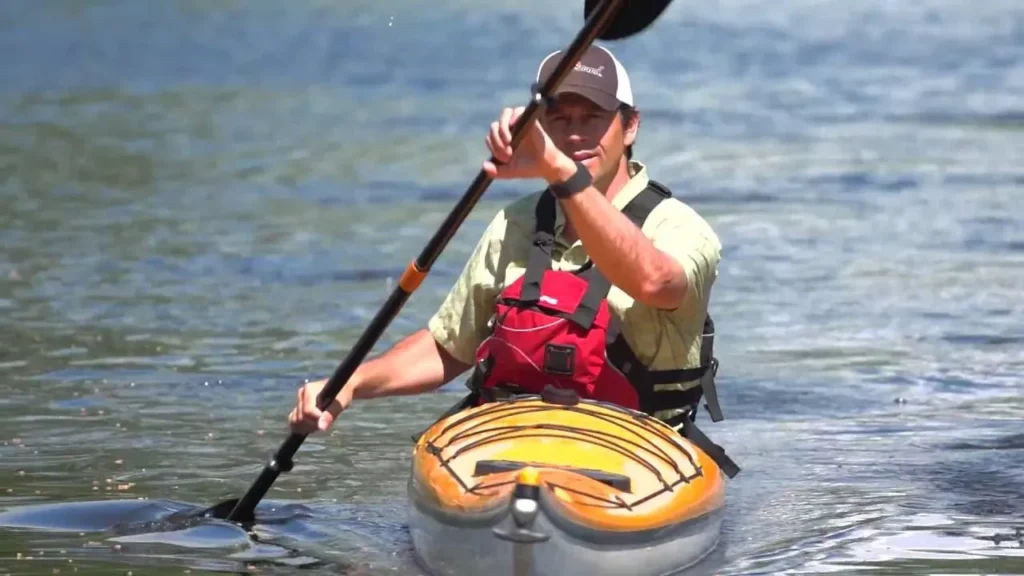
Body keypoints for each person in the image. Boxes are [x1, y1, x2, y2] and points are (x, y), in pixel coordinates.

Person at [288, 45, 729, 465]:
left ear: (630, 125)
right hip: (513, 445)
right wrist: (350, 385)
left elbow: (656, 282)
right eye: (558, 120)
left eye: (593, 118)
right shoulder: (517, 223)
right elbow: (450, 347)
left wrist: (558, 170)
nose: (575, 134)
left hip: (638, 450)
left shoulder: (678, 226)